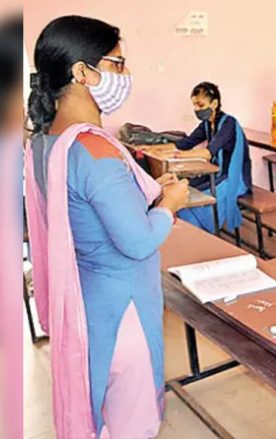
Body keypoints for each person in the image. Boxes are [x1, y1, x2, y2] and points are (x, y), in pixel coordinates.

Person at [24, 15, 190, 438]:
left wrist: (147, 197)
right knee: (132, 423)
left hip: (85, 302)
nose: (125, 74)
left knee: (102, 415)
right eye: (117, 63)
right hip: (124, 308)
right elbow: (138, 240)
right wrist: (169, 206)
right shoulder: (93, 147)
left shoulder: (45, 141)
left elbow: (84, 211)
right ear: (82, 72)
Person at [136, 82, 252, 234]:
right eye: (194, 105)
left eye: (200, 104)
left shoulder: (228, 123)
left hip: (234, 178)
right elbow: (184, 143)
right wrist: (153, 149)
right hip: (219, 173)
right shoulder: (206, 124)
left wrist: (176, 155)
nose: (197, 109)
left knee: (195, 196)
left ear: (214, 103)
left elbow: (208, 153)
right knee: (186, 189)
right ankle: (191, 230)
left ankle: (203, 231)